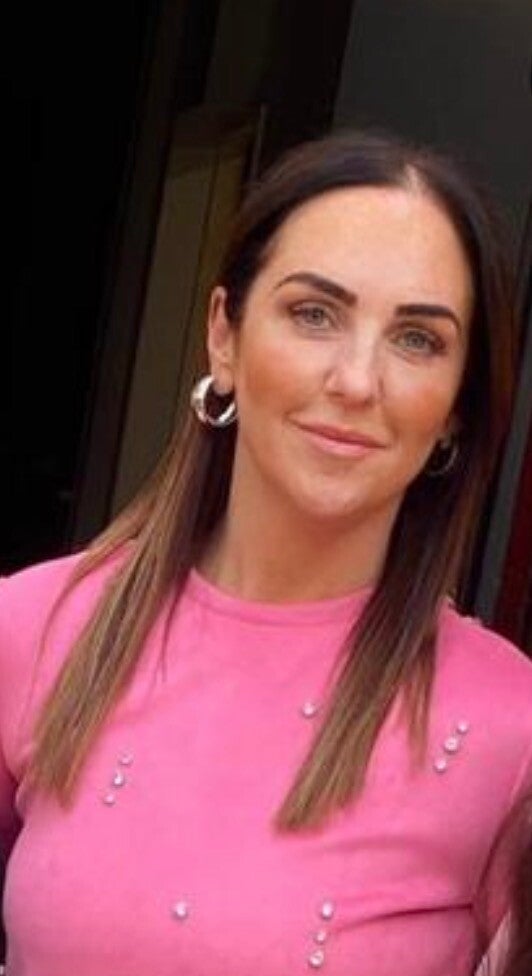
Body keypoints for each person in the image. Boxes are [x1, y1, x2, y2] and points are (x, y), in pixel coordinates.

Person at [1, 130, 531, 975]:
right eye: (314, 314)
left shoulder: (511, 730)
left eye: (417, 339)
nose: (356, 380)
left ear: (457, 407)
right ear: (225, 335)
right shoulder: (36, 627)